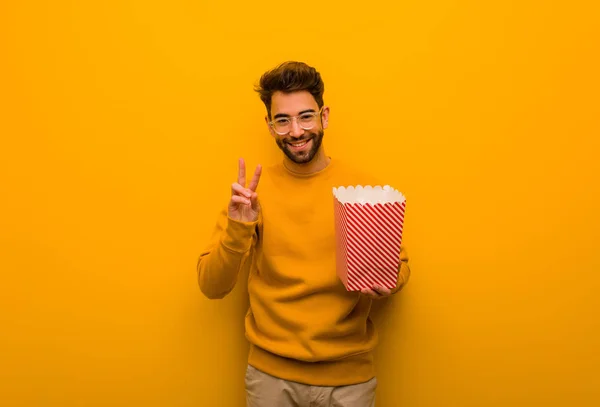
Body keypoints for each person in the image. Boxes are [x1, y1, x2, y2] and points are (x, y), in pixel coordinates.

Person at [197, 61, 410, 407]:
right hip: (271, 380)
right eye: (283, 120)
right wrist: (239, 228)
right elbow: (211, 285)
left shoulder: (361, 188)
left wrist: (389, 281)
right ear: (269, 126)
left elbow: (399, 268)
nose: (296, 131)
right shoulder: (253, 195)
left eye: (305, 116)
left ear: (324, 116)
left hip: (350, 381)